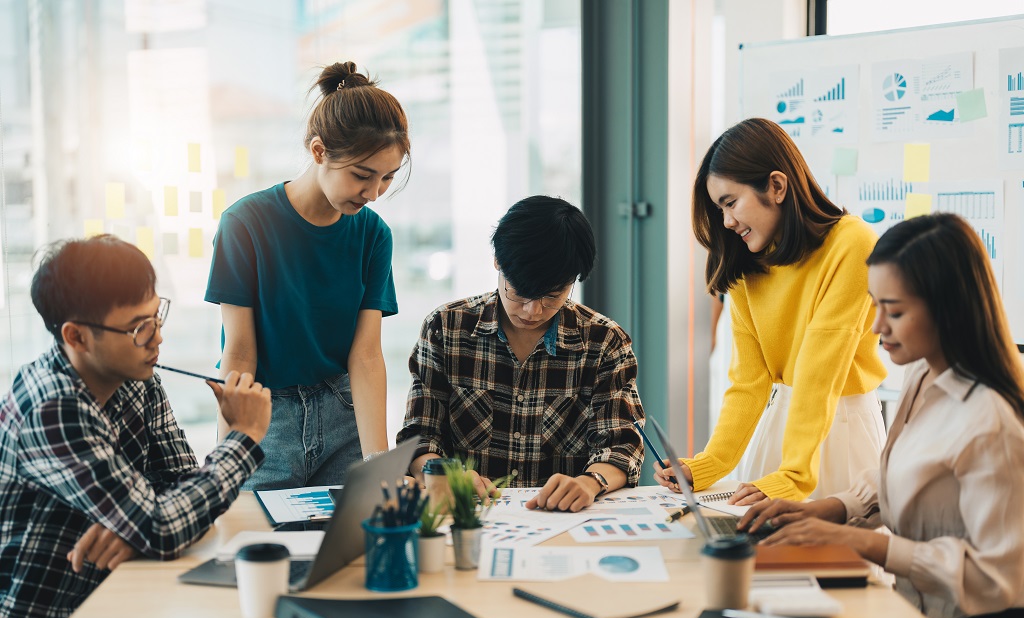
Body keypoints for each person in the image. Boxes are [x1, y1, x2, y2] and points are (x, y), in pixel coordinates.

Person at [739, 213, 1024, 618]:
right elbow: (902, 471)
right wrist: (830, 509)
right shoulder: (924, 373)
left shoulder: (991, 422)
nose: (876, 328)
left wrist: (859, 542)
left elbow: (996, 577)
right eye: (875, 307)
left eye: (894, 311)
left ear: (947, 308)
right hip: (919, 615)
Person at [0, 236, 270, 618]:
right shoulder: (54, 408)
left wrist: (139, 528)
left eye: (156, 315)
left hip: (109, 595)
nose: (157, 337)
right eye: (137, 327)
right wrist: (244, 437)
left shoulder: (136, 376)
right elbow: (165, 525)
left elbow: (181, 484)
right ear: (76, 336)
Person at [655, 118, 885, 505]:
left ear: (777, 186)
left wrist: (794, 476)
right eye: (719, 209)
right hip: (778, 431)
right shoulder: (746, 263)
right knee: (762, 561)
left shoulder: (853, 243)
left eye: (730, 203)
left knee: (839, 561)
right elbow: (748, 380)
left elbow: (820, 371)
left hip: (841, 430)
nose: (726, 222)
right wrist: (711, 463)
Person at [205, 61, 409, 490]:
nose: (373, 193)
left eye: (387, 178)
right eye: (362, 175)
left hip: (343, 417)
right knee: (260, 551)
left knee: (353, 550)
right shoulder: (245, 224)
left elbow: (367, 355)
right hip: (267, 420)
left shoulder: (373, 235)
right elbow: (239, 354)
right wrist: (227, 463)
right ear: (319, 152)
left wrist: (379, 465)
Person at [397, 196, 645, 512]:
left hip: (562, 517)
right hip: (466, 514)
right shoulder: (446, 328)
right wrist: (445, 474)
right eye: (520, 292)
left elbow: (622, 445)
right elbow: (419, 436)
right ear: (498, 262)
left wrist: (590, 482)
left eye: (552, 296)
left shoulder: (604, 341)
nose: (532, 311)